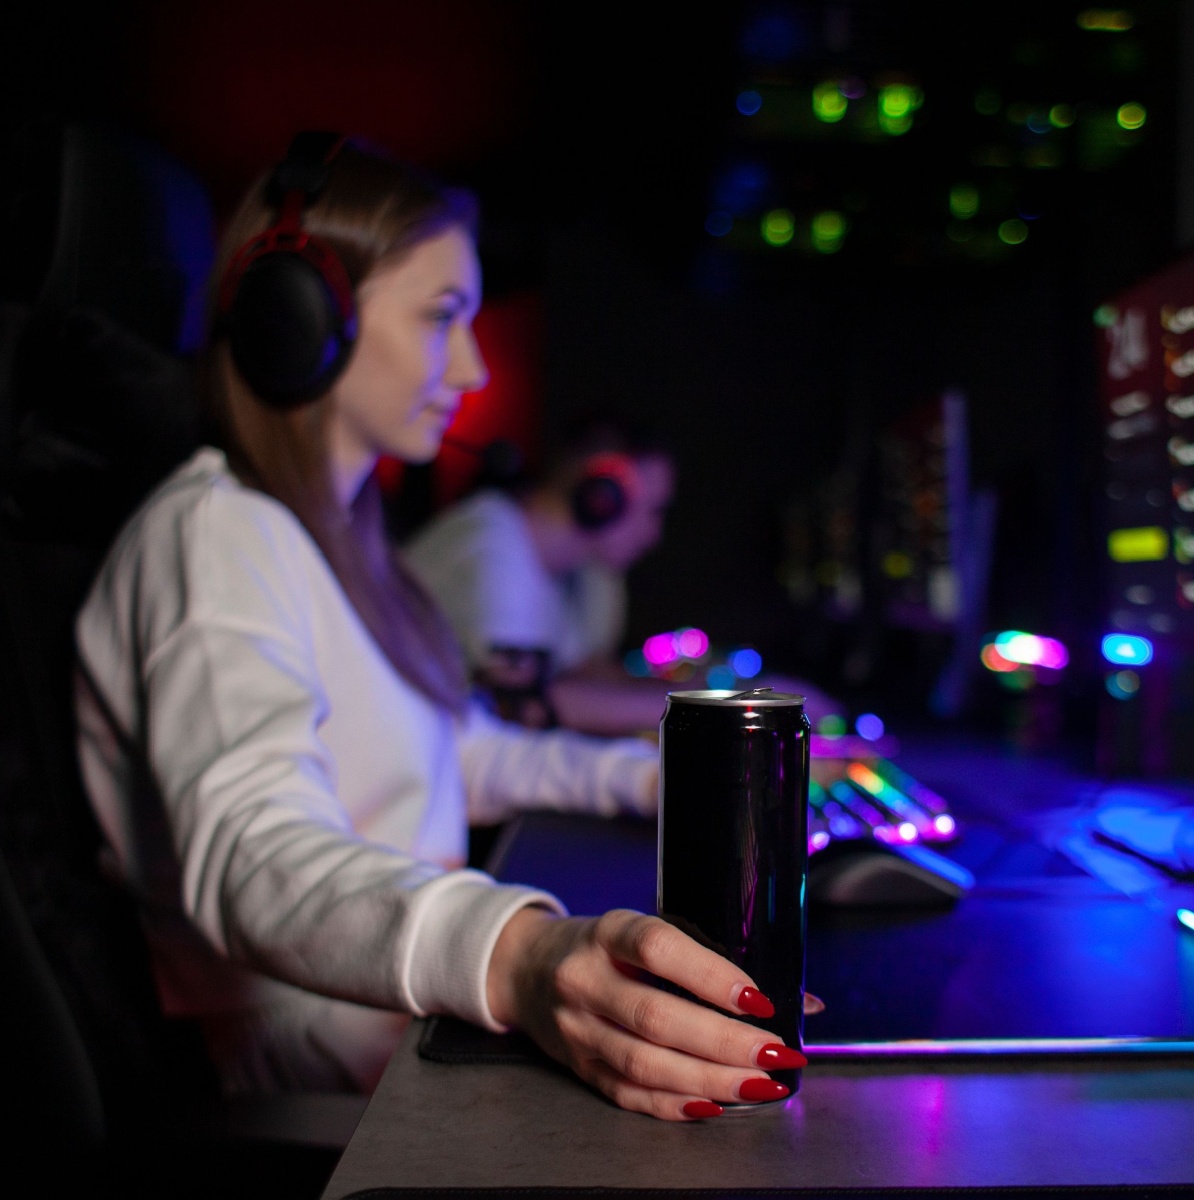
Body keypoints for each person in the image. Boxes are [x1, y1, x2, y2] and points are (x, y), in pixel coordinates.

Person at [73, 133, 814, 1119]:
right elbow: (251, 851)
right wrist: (520, 955)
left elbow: (460, 751)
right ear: (301, 325)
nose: (469, 369)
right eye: (442, 317)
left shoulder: (338, 542)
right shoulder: (216, 533)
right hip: (305, 1048)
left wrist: (675, 781)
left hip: (382, 1004)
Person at [406, 417, 841, 736]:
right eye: (653, 510)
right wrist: (734, 707)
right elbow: (531, 703)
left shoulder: (577, 572)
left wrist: (724, 688)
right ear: (602, 495)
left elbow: (587, 677)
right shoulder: (492, 543)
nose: (654, 534)